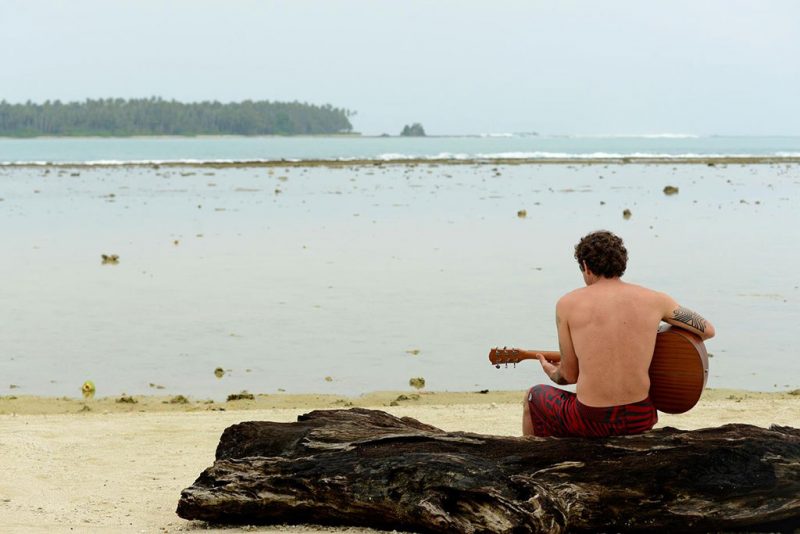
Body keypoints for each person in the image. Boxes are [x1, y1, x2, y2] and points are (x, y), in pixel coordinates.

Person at [523, 230, 715, 437]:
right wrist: (656, 343)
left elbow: (569, 376)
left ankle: (535, 460)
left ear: (586, 267)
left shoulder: (567, 304)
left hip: (591, 420)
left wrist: (552, 371)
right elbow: (707, 330)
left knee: (534, 396)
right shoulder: (656, 299)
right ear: (621, 263)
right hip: (640, 417)